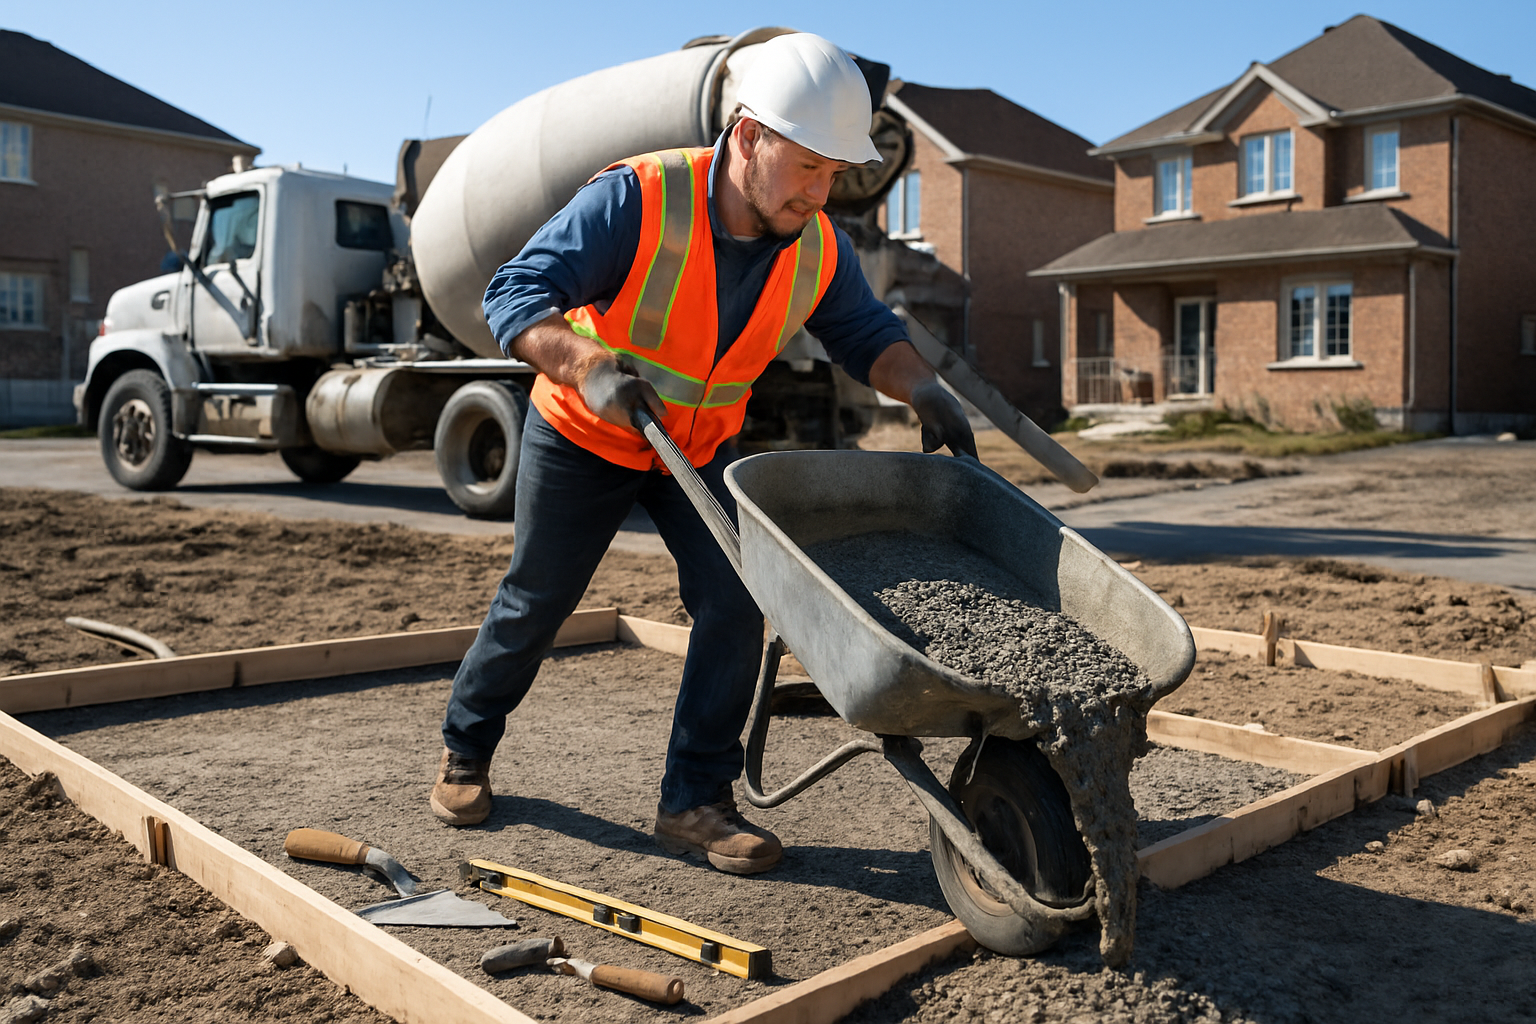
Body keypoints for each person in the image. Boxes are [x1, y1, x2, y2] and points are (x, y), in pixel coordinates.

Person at [431, 32, 975, 875]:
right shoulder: (639, 198)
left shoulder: (817, 243)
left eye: (835, 174)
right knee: (538, 599)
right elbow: (515, 293)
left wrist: (926, 389)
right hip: (586, 432)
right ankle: (465, 748)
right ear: (750, 137)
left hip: (698, 446)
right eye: (807, 168)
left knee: (736, 602)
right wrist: (585, 364)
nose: (819, 192)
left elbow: (866, 335)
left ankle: (695, 799)